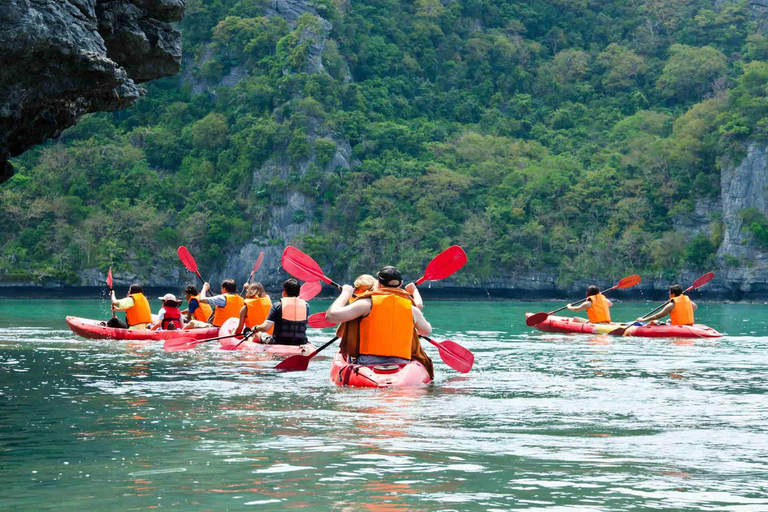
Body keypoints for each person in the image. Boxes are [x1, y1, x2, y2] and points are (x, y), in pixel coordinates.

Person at [325, 266, 433, 377]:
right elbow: (426, 331)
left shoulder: (365, 304)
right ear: (400, 284)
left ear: (379, 284)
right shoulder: (412, 309)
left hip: (367, 363)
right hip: (401, 363)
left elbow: (331, 316)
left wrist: (345, 294)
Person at [246, 278, 310, 345]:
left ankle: (250, 344)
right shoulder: (306, 306)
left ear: (284, 291)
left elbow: (266, 328)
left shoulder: (277, 306)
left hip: (279, 341)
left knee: (258, 333)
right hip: (301, 341)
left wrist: (255, 328)